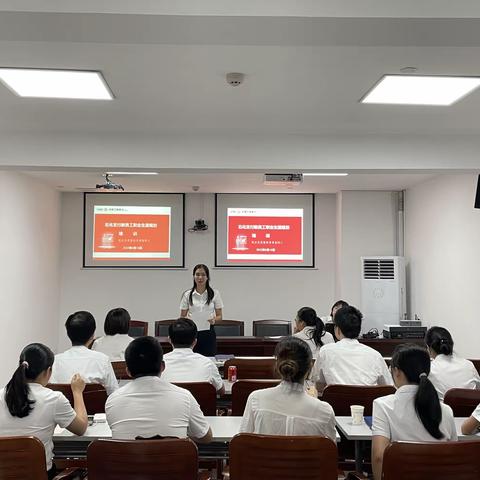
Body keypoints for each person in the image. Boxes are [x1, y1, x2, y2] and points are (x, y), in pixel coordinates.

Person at [0, 344, 88, 479]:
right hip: (40, 475)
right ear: (48, 371)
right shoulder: (53, 398)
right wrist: (77, 392)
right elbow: (81, 428)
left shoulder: (2, 394)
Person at [372, 344, 457, 480]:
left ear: (397, 371)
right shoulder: (446, 410)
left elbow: (378, 458)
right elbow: (454, 457)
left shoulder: (382, 405)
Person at [106, 336, 212, 442]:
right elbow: (206, 437)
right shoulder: (184, 397)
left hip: (128, 458)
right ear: (162, 367)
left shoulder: (113, 400)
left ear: (128, 371)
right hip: (172, 458)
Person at [240, 337, 336, 441]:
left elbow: (243, 444)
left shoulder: (256, 399)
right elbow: (329, 454)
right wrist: (315, 402)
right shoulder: (324, 411)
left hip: (264, 457)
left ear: (277, 365)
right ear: (310, 367)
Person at [312, 305, 392, 390]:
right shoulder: (375, 355)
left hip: (335, 402)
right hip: (366, 402)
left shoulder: (325, 351)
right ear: (359, 329)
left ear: (337, 329)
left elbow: (317, 382)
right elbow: (389, 386)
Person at [50, 311, 118, 395]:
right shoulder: (102, 360)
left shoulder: (55, 361)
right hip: (95, 408)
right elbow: (114, 393)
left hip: (62, 407)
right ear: (92, 336)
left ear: (68, 334)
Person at [162, 318, 225, 394]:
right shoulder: (207, 364)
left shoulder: (158, 363)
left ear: (169, 340)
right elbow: (221, 391)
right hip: (200, 405)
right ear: (195, 341)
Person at [425, 326, 480, 401]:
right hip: (470, 412)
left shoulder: (429, 369)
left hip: (442, 412)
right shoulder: (469, 365)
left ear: (429, 348)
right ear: (451, 344)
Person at [180, 264, 223, 357]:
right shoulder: (187, 295)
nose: (200, 277)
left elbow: (220, 316)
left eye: (203, 275)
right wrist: (188, 320)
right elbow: (182, 317)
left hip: (208, 332)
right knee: (192, 360)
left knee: (209, 359)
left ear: (207, 277)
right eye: (197, 274)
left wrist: (214, 320)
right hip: (192, 333)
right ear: (193, 276)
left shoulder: (215, 293)